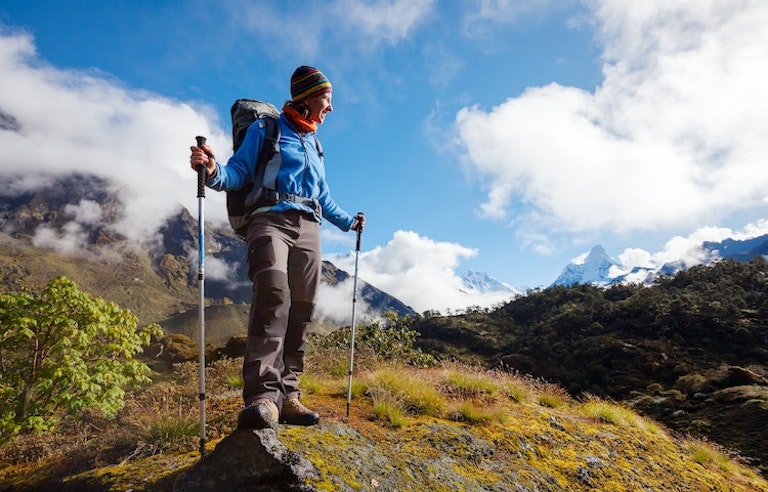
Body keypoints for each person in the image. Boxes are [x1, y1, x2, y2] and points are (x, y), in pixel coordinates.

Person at [189, 66, 365, 430]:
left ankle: (290, 396)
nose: (330, 107)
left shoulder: (315, 144)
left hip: (309, 229)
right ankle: (264, 398)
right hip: (268, 221)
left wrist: (349, 222)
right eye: (327, 99)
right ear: (306, 96)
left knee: (303, 308)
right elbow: (237, 173)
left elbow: (323, 197)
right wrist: (211, 169)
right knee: (273, 295)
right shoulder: (266, 130)